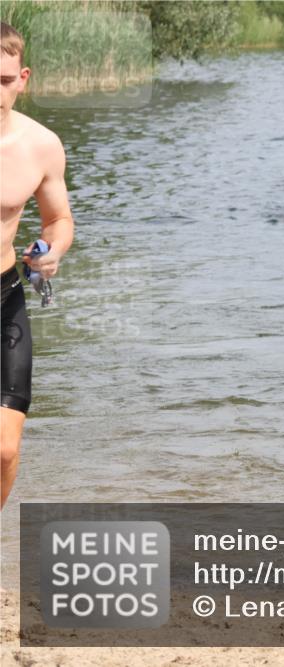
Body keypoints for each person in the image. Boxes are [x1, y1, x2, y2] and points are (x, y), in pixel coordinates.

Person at [1, 22, 75, 508]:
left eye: (4, 81)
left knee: (4, 450)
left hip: (3, 297)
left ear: (22, 78)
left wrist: (51, 254)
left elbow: (59, 219)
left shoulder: (40, 145)